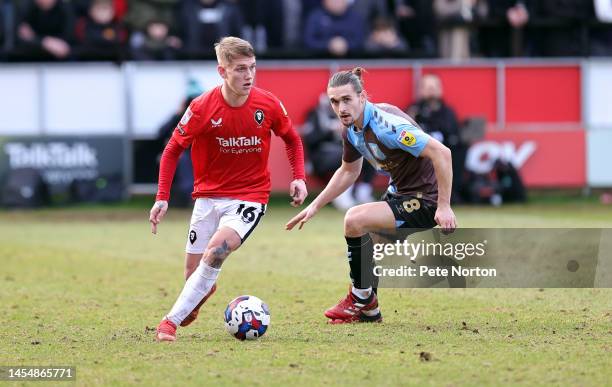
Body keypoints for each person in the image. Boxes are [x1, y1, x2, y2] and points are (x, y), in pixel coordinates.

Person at [151, 37, 307, 342]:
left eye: (252, 68)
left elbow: (292, 139)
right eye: (239, 69)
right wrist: (162, 197)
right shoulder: (201, 108)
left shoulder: (268, 104)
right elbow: (172, 150)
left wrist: (298, 176)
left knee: (218, 250)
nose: (248, 76)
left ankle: (168, 322)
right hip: (207, 198)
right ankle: (200, 291)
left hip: (249, 197)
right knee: (193, 277)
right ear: (222, 71)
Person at [286, 68, 456, 324]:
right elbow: (348, 171)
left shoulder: (388, 126)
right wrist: (316, 205)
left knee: (354, 219)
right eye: (334, 101)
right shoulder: (350, 129)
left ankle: (358, 298)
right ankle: (369, 312)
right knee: (370, 248)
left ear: (362, 97)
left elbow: (442, 153)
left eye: (346, 99)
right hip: (400, 193)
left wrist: (443, 206)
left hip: (425, 200)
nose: (340, 107)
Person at [302, 93, 376, 210]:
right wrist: (329, 131)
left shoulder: (348, 114)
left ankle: (363, 192)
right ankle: (342, 193)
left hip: (342, 150)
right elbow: (310, 139)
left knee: (368, 153)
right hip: (321, 155)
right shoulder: (315, 115)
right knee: (346, 156)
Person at [407, 74, 465, 201]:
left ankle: (451, 193)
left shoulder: (448, 112)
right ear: (421, 90)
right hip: (421, 154)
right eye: (428, 87)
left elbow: (454, 135)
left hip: (444, 153)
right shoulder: (414, 111)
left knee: (461, 149)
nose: (432, 90)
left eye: (434, 87)